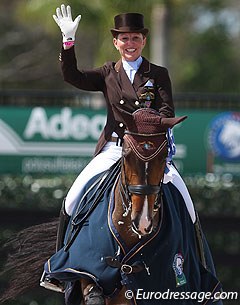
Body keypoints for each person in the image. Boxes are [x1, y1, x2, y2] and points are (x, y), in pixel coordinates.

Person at [52, 4, 196, 225]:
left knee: (188, 206)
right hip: (115, 148)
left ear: (143, 41)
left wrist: (146, 122)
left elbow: (167, 110)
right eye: (125, 39)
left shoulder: (157, 74)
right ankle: (62, 254)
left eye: (135, 38)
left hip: (148, 151)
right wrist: (68, 41)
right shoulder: (107, 73)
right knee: (71, 201)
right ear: (116, 43)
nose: (130, 44)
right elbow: (72, 76)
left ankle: (199, 258)